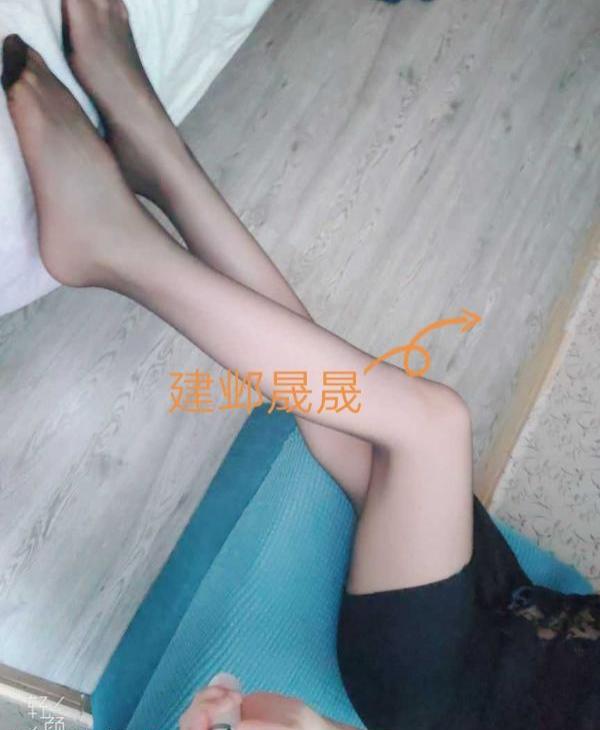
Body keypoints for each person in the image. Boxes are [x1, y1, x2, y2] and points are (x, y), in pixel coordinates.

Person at [3, 3, 600, 728]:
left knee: (431, 424)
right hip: (512, 608)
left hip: (438, 687)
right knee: (353, 426)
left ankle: (115, 242)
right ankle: (153, 153)